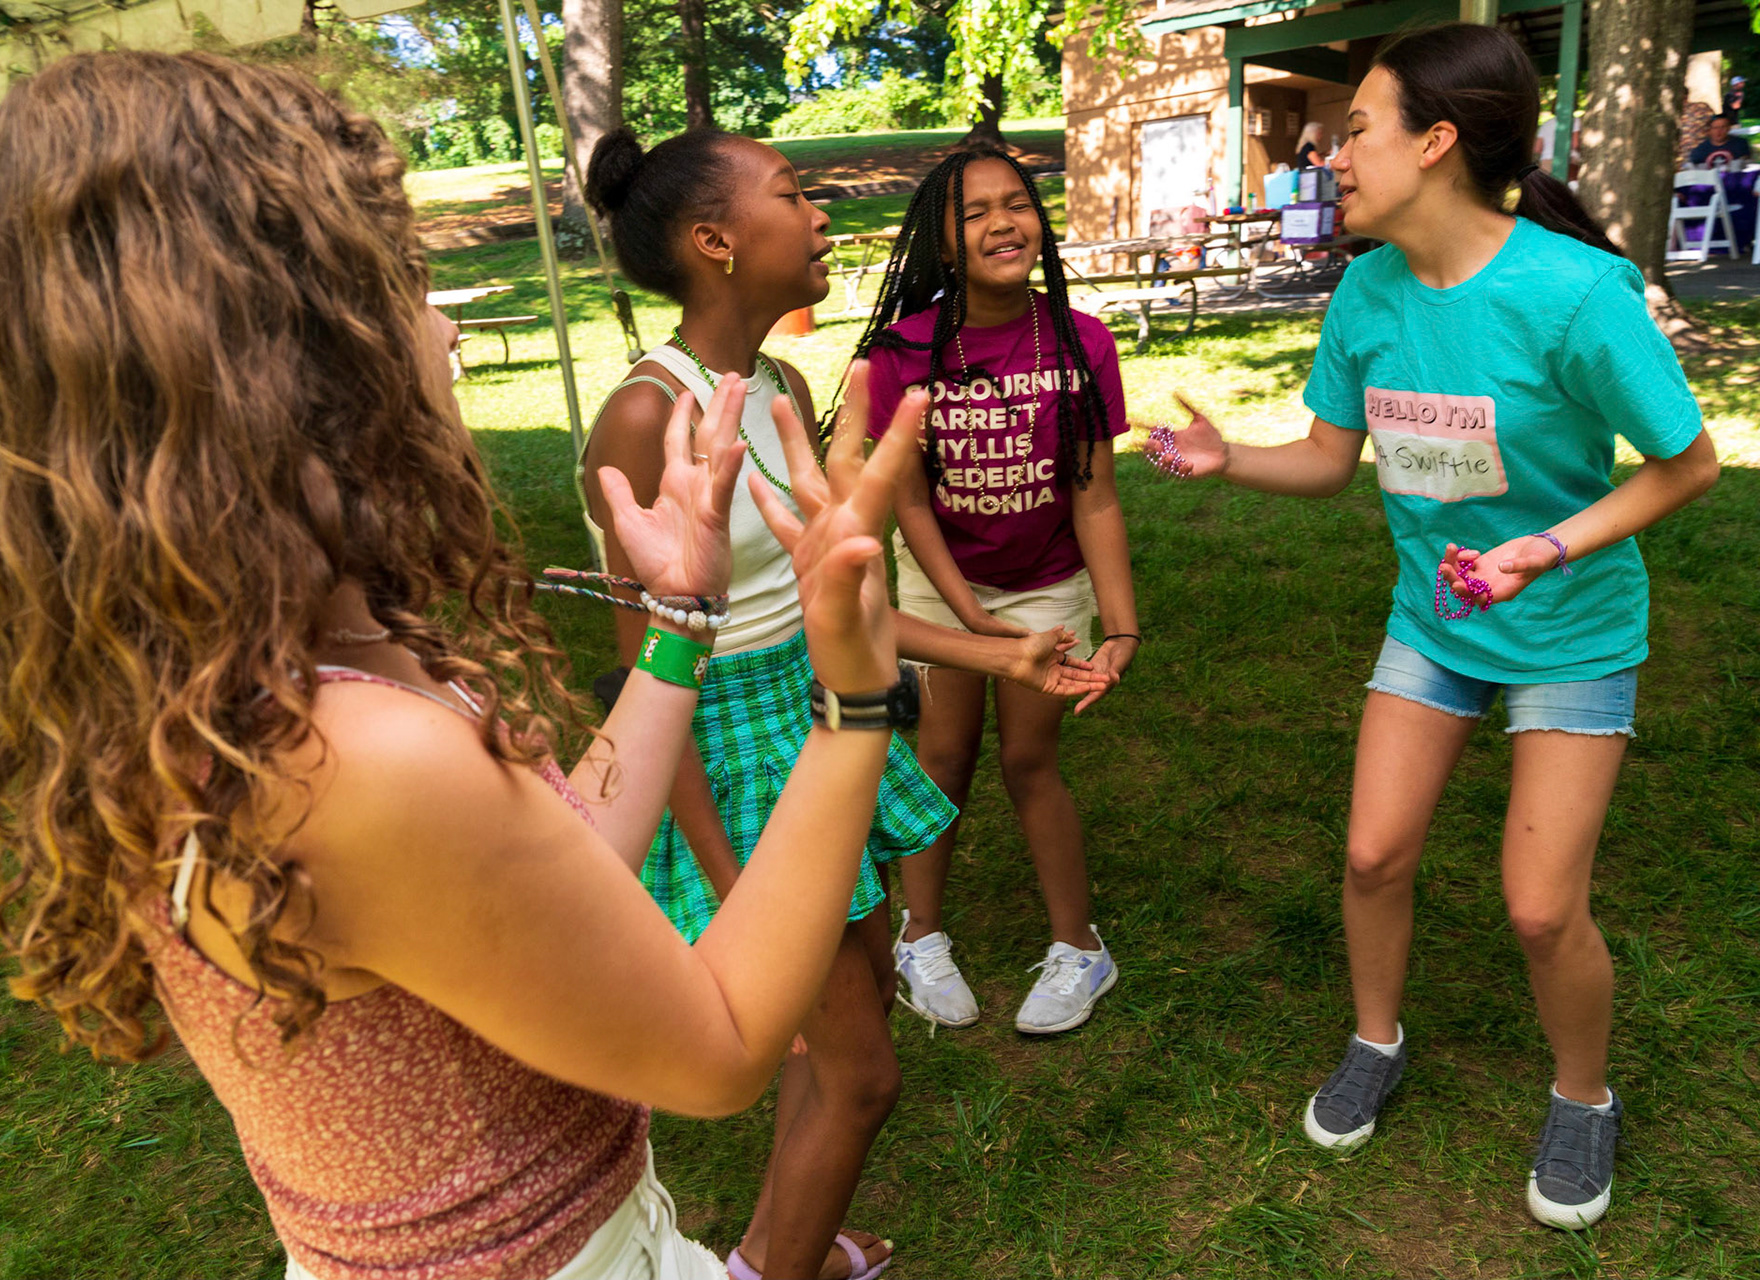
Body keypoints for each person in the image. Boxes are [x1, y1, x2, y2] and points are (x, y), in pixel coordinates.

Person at [0, 49, 946, 1280]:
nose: (445, 325)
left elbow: (556, 863)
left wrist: (676, 623)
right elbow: (717, 1048)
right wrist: (854, 701)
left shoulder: (238, 668)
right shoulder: (353, 757)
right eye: (402, 283)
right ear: (286, 358)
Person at [1145, 23, 1718, 1231]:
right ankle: (1375, 1037)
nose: (1333, 155)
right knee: (1371, 854)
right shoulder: (1367, 291)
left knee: (1541, 907)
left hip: (1570, 628)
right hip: (1436, 617)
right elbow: (1327, 460)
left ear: (1437, 143)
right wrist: (1227, 458)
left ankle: (1584, 1093)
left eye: (1356, 129)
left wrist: (1545, 547)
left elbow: (1688, 463)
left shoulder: (1576, 295)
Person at [581, 127, 1112, 1280]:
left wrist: (999, 653)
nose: (821, 214)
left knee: (857, 1009)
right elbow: (645, 681)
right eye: (792, 194)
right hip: (731, 759)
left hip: (812, 723)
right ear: (716, 241)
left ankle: (772, 1252)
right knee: (863, 1073)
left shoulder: (780, 386)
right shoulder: (644, 414)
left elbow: (834, 604)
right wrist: (731, 887)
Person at [839, 148, 1139, 1037]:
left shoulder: (1081, 340)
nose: (1004, 223)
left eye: (1018, 204)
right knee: (942, 758)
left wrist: (1122, 627)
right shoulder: (901, 352)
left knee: (1028, 761)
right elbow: (908, 502)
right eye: (974, 212)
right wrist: (968, 614)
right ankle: (920, 936)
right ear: (941, 241)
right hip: (942, 588)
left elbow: (1095, 496)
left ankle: (1080, 947)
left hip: (1048, 584)